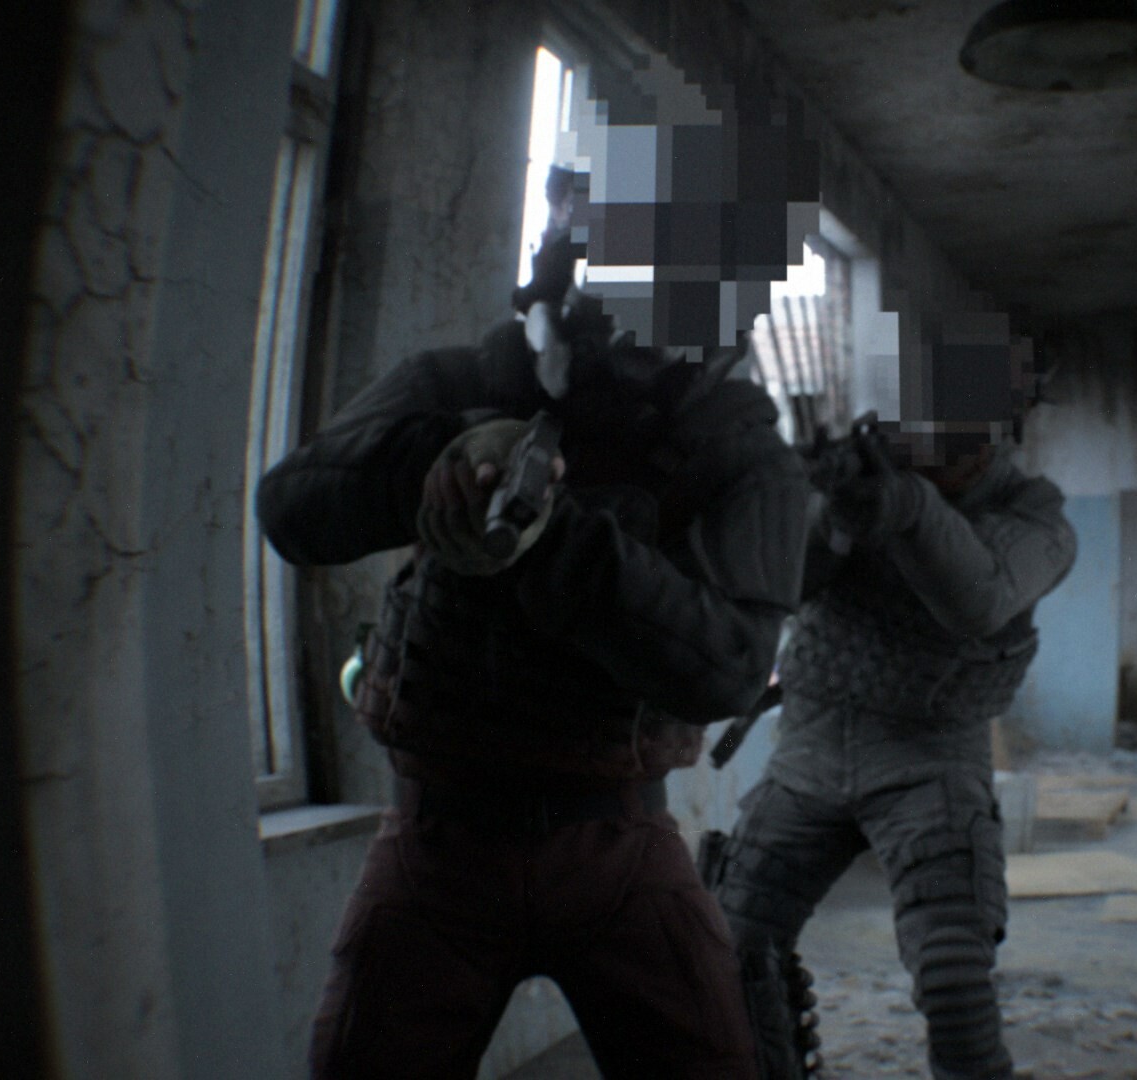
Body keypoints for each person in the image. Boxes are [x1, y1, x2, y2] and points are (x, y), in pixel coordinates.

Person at [257, 51, 821, 1078]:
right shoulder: (464, 381)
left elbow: (731, 670)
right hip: (438, 841)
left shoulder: (737, 448)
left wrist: (553, 543)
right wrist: (429, 467)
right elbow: (291, 508)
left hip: (620, 843)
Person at [703, 386, 1078, 1079]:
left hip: (928, 766)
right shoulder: (871, 478)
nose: (941, 449)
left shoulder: (1034, 516)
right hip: (808, 756)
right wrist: (827, 515)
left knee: (953, 979)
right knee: (730, 955)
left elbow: (979, 601)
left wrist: (908, 509)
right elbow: (779, 584)